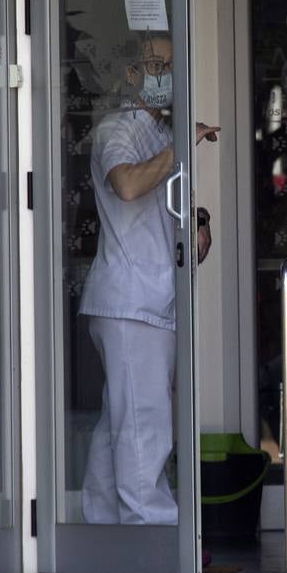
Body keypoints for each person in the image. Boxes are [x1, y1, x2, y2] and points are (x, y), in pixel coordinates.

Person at [78, 32, 219, 524]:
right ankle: (151, 533)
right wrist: (182, 146)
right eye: (156, 64)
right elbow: (128, 184)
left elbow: (163, 210)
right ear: (131, 74)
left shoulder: (163, 132)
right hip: (130, 302)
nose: (167, 75)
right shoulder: (116, 128)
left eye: (172, 64)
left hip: (150, 298)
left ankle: (102, 525)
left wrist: (196, 227)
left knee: (119, 420)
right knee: (145, 423)